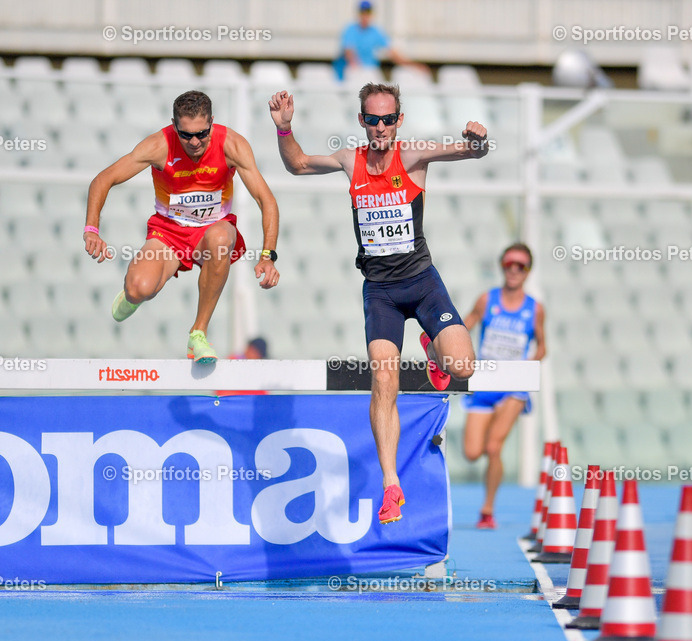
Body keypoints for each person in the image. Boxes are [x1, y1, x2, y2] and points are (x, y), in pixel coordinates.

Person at [268, 83, 489, 524]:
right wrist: (285, 129)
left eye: (389, 119)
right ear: (362, 122)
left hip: (422, 283)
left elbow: (470, 153)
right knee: (384, 381)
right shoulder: (351, 162)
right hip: (381, 292)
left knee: (463, 367)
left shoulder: (412, 156)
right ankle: (391, 485)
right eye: (373, 119)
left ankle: (434, 351)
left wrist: (478, 140)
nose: (381, 127)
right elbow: (296, 164)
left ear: (399, 121)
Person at [83, 90, 280, 362]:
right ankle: (131, 297)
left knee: (221, 238)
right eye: (186, 135)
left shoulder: (232, 144)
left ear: (212, 121)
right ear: (174, 125)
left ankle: (198, 334)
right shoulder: (158, 146)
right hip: (168, 233)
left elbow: (266, 200)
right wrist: (92, 229)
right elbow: (102, 180)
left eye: (202, 132)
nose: (195, 141)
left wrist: (268, 256)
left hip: (212, 232)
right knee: (139, 287)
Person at [462, 243, 546, 530]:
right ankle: (487, 501)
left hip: (513, 387)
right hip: (485, 382)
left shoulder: (534, 309)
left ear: (528, 271)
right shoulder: (488, 299)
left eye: (520, 266)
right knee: (473, 452)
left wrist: (529, 367)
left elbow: (542, 345)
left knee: (494, 446)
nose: (513, 270)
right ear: (502, 265)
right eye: (509, 263)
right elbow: (465, 326)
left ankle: (487, 509)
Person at [333, 1, 430, 81]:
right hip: (351, 75)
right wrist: (359, 71)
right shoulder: (350, 29)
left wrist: (413, 66)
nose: (365, 15)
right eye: (363, 12)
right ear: (359, 13)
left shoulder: (375, 31)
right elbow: (349, 53)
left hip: (368, 74)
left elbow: (392, 53)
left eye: (368, 12)